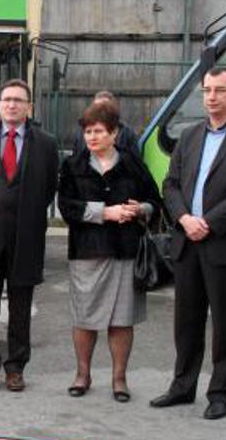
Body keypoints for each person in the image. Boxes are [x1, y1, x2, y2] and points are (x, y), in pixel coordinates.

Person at [151, 67, 226, 419]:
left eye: (219, 90)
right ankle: (182, 386)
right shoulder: (189, 135)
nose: (211, 97)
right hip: (187, 241)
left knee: (225, 321)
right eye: (206, 91)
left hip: (224, 243)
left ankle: (221, 393)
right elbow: (170, 185)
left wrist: (210, 223)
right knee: (186, 320)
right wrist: (185, 219)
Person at [57, 100, 162, 401]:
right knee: (85, 317)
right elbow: (67, 207)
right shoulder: (73, 165)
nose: (92, 137)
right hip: (88, 253)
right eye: (88, 131)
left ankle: (119, 379)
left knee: (121, 319)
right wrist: (105, 212)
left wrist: (140, 208)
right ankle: (82, 374)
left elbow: (155, 201)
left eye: (99, 131)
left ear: (115, 134)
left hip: (125, 252)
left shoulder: (132, 163)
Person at [0, 78, 60, 393]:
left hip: (24, 240)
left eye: (19, 100)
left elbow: (47, 190)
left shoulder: (45, 144)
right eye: (7, 100)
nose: (12, 105)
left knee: (21, 310)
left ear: (29, 107)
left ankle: (15, 368)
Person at [63, 91, 141, 160]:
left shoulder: (127, 134)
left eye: (104, 107)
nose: (100, 110)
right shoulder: (81, 132)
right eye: (97, 107)